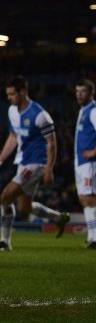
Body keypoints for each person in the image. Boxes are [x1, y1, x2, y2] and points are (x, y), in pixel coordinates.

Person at [0, 75, 70, 250]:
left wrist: (49, 169)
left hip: (37, 163)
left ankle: (5, 242)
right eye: (8, 94)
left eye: (12, 94)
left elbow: (52, 143)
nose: (9, 98)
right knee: (25, 208)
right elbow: (13, 137)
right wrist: (0, 160)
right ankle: (59, 218)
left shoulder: (40, 115)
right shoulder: (12, 111)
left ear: (23, 92)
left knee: (5, 196)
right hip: (23, 161)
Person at [73, 79, 96, 249]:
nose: (79, 94)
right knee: (83, 198)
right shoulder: (84, 110)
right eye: (77, 91)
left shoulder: (93, 110)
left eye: (83, 91)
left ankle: (94, 238)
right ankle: (91, 237)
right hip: (80, 162)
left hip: (89, 162)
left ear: (91, 93)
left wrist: (94, 152)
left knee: (90, 199)